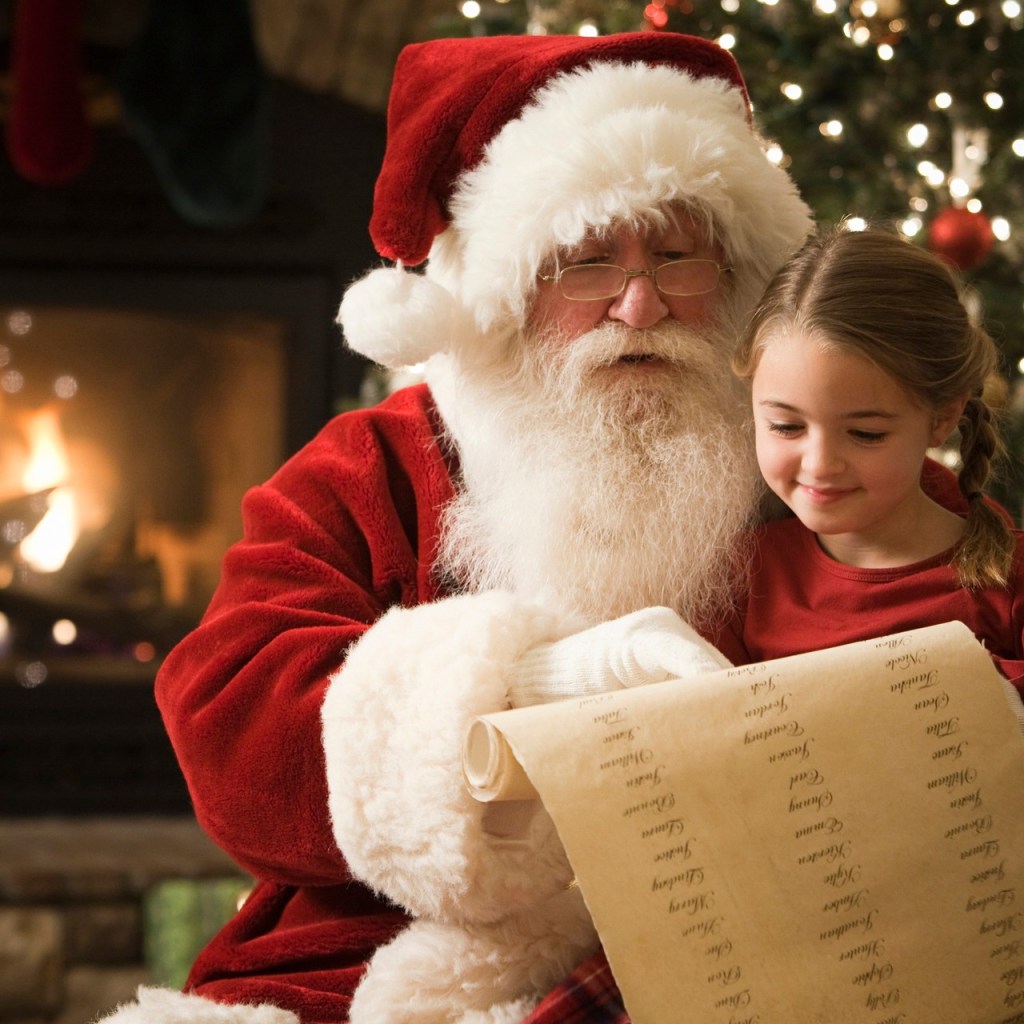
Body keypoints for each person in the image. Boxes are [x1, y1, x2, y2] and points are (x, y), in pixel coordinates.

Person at [96, 35, 968, 1024]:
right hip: (377, 953)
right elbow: (230, 720)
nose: (638, 305)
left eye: (678, 254)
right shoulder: (374, 465)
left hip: (744, 953)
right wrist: (540, 688)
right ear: (504, 291)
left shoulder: (817, 464)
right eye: (586, 261)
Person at [723, 226, 1024, 704]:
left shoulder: (1008, 586)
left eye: (866, 434)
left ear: (941, 418)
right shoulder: (740, 577)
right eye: (786, 426)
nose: (820, 465)